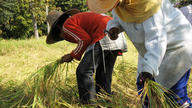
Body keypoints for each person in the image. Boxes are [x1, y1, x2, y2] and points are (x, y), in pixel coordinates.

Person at [87, 0, 192, 107]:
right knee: (146, 93)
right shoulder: (124, 3)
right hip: (150, 51)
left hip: (176, 49)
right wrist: (114, 27)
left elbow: (157, 40)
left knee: (175, 97)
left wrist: (149, 69)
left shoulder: (150, 5)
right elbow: (120, 17)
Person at [46, 9, 127, 105]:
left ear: (58, 27)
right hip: (117, 34)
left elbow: (84, 40)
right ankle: (105, 101)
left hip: (104, 34)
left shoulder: (66, 26)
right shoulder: (77, 20)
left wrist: (72, 55)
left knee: (83, 71)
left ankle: (89, 104)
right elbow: (87, 42)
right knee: (103, 73)